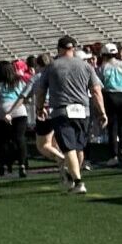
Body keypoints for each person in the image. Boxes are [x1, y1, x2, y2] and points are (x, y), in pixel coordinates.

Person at [29, 34, 106, 192]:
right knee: (79, 146)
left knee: (68, 147)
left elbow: (41, 90)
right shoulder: (86, 66)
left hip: (62, 110)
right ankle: (73, 177)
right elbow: (96, 90)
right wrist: (102, 112)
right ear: (73, 49)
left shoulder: (53, 66)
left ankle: (78, 181)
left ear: (59, 49)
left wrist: (39, 107)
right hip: (83, 110)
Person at [97, 43, 122, 164]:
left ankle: (114, 156)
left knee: (112, 127)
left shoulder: (102, 68)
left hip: (110, 96)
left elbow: (99, 85)